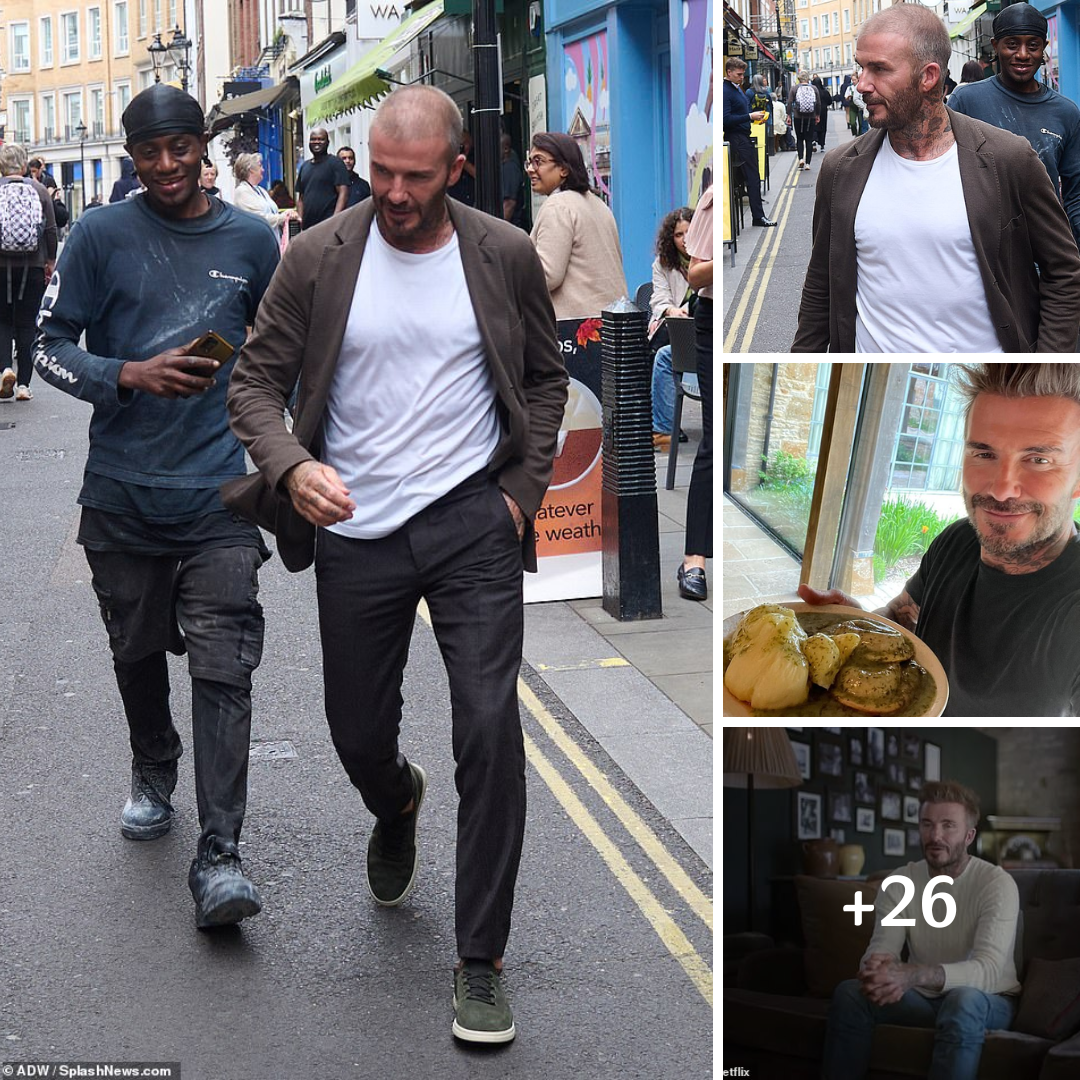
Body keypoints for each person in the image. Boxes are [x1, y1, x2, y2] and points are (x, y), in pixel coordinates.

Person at [224, 85, 568, 1043]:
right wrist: (293, 470)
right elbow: (254, 381)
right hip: (355, 525)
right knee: (356, 731)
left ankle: (481, 960)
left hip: (471, 522)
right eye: (380, 171)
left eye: (414, 176)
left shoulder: (501, 254)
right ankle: (396, 798)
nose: (392, 192)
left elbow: (545, 382)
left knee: (492, 728)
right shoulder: (318, 255)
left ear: (457, 169)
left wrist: (517, 497)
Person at [32, 83, 281, 927]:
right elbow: (46, 350)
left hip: (219, 494)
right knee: (135, 652)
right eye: (150, 151)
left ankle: (221, 856)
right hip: (123, 497)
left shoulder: (252, 241)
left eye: (180, 147)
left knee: (224, 666)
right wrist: (125, 374)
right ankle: (153, 762)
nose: (167, 165)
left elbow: (282, 354)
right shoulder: (100, 235)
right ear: (133, 156)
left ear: (201, 147)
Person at [792, 3, 1080, 353]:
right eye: (860, 67)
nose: (862, 85)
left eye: (879, 69)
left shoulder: (1010, 158)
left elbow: (1064, 271)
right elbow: (821, 281)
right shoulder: (841, 168)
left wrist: (1044, 366)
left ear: (928, 77)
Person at [800, 363, 1080, 715]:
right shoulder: (958, 539)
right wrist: (857, 633)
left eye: (1038, 459)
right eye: (984, 454)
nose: (1002, 488)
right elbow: (901, 617)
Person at [822, 781, 1019, 1080]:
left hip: (990, 999)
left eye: (947, 825)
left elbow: (989, 971)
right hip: (923, 999)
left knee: (962, 1000)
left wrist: (913, 975)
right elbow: (882, 947)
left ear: (969, 836)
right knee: (850, 993)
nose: (935, 836)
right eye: (927, 824)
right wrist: (878, 969)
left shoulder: (996, 883)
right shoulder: (900, 881)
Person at [948, 4, 1080, 253]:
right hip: (980, 249)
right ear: (995, 46)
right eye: (1012, 44)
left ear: (1044, 48)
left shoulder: (1066, 112)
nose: (1023, 54)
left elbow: (1075, 194)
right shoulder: (965, 101)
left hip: (1043, 250)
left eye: (1033, 45)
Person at [526, 131, 628, 319]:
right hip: (611, 324)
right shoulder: (598, 204)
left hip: (576, 331)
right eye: (529, 162)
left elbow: (547, 275)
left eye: (538, 161)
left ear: (563, 169)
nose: (531, 169)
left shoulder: (557, 206)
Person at [0, 144, 57, 403]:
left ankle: (4, 369)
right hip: (32, 265)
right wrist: (50, 261)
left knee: (2, 321)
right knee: (27, 324)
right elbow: (51, 230)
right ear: (24, 166)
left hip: (1, 267)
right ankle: (23, 384)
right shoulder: (40, 190)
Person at [677, 185, 712, 602]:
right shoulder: (710, 198)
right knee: (711, 438)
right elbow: (695, 273)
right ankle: (694, 560)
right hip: (708, 319)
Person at [647, 207, 695, 451]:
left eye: (689, 232)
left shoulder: (707, 260)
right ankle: (661, 425)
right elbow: (659, 298)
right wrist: (671, 311)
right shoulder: (662, 264)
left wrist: (688, 309)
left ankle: (664, 428)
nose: (684, 239)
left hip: (700, 333)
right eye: (678, 235)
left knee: (663, 356)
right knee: (659, 350)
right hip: (676, 327)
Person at [724, 57, 776, 226]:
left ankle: (757, 215)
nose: (742, 78)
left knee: (751, 178)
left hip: (744, 137)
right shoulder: (725, 91)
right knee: (752, 177)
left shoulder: (736, 88)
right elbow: (725, 120)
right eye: (738, 74)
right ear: (729, 72)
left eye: (743, 74)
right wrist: (749, 116)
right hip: (737, 139)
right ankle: (758, 217)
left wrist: (753, 119)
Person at [296, 126, 349, 230]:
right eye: (313, 139)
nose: (317, 142)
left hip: (328, 226)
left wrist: (334, 220)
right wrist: (300, 219)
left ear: (327, 142)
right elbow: (301, 198)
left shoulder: (336, 163)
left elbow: (343, 193)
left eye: (320, 139)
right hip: (308, 228)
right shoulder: (304, 167)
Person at [233, 152, 297, 233]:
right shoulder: (242, 191)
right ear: (251, 170)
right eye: (260, 166)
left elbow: (273, 215)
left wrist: (287, 215)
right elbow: (259, 220)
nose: (263, 170)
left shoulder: (261, 190)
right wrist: (284, 216)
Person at [789, 70, 821, 171]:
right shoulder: (814, 88)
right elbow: (818, 103)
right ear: (808, 79)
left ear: (799, 79)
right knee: (809, 139)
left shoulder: (794, 88)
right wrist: (817, 115)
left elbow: (790, 102)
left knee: (799, 139)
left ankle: (801, 159)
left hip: (798, 117)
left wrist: (788, 115)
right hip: (811, 117)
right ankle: (808, 163)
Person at [500, 133, 526, 227]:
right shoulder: (503, 167)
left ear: (506, 149)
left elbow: (509, 204)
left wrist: (499, 229)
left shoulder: (510, 168)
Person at [447, 129, 476, 206]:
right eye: (461, 145)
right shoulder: (451, 156)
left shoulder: (476, 155)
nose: (464, 147)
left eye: (466, 143)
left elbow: (480, 177)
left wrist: (464, 162)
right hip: (455, 200)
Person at [812, 75, 831, 149]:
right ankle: (822, 144)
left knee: (814, 126)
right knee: (823, 127)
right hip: (823, 111)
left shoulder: (812, 91)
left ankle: (814, 140)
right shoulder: (825, 92)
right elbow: (830, 101)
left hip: (814, 111)